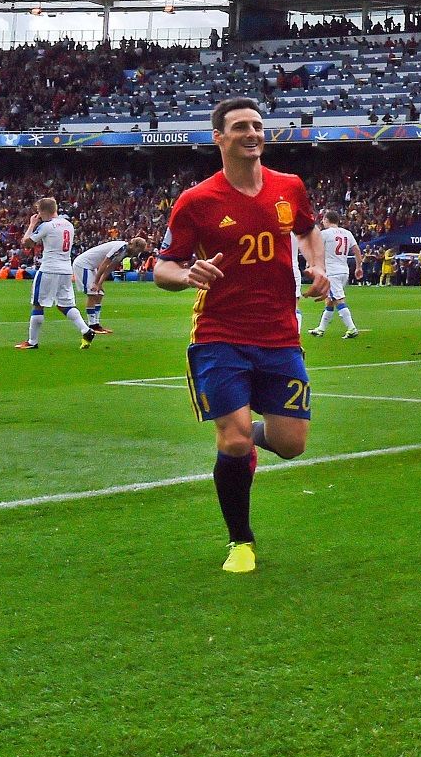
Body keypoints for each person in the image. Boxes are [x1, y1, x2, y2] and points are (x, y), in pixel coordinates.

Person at [153, 97, 329, 574]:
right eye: (240, 127)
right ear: (219, 138)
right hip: (220, 333)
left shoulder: (289, 187)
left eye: (257, 126)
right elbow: (162, 267)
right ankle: (241, 541)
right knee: (231, 443)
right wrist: (188, 274)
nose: (252, 133)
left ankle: (245, 432)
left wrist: (316, 263)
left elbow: (309, 232)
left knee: (291, 444)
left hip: (280, 336)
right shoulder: (197, 200)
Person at [16, 196, 94, 350]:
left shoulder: (47, 226)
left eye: (38, 211)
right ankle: (86, 330)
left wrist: (32, 225)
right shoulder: (69, 225)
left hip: (49, 269)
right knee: (65, 305)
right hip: (65, 269)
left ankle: (32, 341)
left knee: (38, 304)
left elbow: (26, 243)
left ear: (43, 211)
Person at [72, 234, 150, 334]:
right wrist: (95, 283)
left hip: (91, 266)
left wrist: (100, 283)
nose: (137, 253)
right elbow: (105, 263)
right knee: (92, 294)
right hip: (83, 264)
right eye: (139, 251)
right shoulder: (121, 248)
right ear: (135, 246)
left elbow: (110, 267)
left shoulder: (125, 251)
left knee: (100, 294)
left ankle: (96, 324)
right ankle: (92, 326)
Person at [308, 210, 364, 338]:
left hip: (332, 272)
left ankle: (352, 328)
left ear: (327, 220)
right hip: (344, 270)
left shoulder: (325, 234)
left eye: (323, 220)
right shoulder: (347, 233)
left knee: (338, 299)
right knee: (329, 301)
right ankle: (320, 329)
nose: (322, 222)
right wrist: (358, 267)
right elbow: (356, 249)